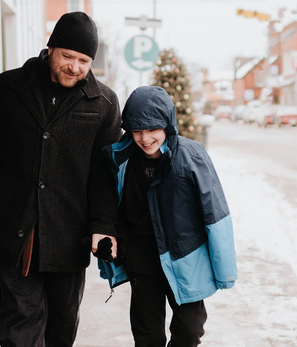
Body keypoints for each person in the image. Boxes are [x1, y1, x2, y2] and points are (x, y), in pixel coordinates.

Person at [0, 11, 121, 347]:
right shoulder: (10, 87)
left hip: (70, 232)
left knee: (61, 327)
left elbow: (103, 173)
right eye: (68, 56)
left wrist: (104, 224)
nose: (75, 67)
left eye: (84, 61)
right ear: (50, 48)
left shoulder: (103, 103)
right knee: (20, 325)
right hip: (17, 229)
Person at [101, 86, 237, 347]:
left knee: (189, 330)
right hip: (142, 259)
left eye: (152, 129)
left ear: (167, 125)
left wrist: (224, 269)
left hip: (186, 258)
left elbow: (215, 213)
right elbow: (111, 204)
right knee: (147, 335)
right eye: (137, 131)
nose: (145, 138)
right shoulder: (122, 159)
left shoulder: (191, 157)